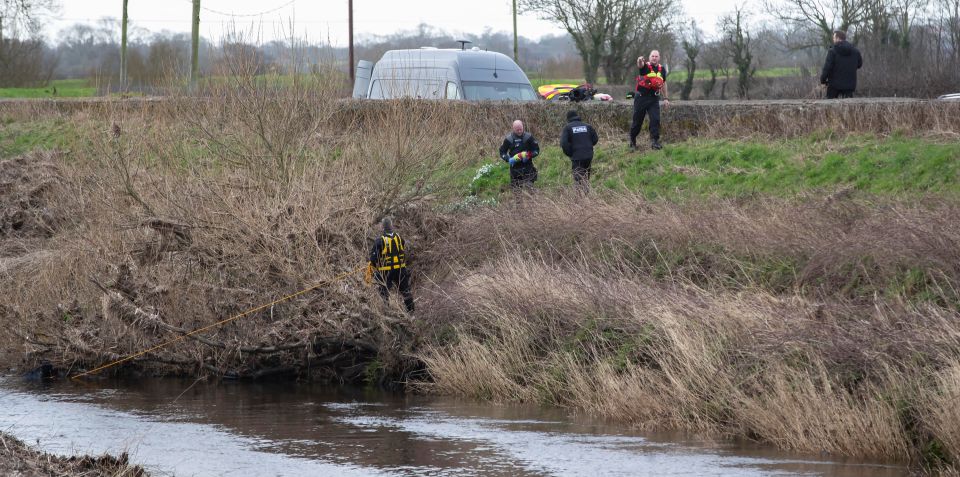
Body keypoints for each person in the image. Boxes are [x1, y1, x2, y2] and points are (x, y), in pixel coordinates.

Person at [367, 217, 414, 313]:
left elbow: (373, 259)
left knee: (383, 293)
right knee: (405, 291)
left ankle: (387, 312)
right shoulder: (399, 238)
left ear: (382, 227)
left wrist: (373, 269)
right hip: (401, 269)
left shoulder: (379, 241)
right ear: (391, 226)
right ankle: (411, 312)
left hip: (387, 271)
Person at [629, 50, 670, 151]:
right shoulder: (645, 66)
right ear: (649, 57)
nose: (654, 58)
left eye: (656, 56)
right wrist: (639, 60)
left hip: (654, 98)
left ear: (659, 58)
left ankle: (655, 142)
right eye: (652, 56)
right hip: (641, 98)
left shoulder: (662, 69)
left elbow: (664, 84)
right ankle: (632, 140)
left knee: (655, 120)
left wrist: (665, 98)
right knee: (637, 122)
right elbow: (640, 65)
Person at [560, 109, 599, 193]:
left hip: (577, 157)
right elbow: (595, 139)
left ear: (568, 118)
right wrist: (587, 147)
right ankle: (586, 195)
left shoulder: (567, 128)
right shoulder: (588, 126)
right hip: (589, 156)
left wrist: (570, 153)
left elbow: (564, 143)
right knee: (586, 177)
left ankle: (580, 200)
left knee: (578, 179)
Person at [499, 120, 541, 193]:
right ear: (513, 128)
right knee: (517, 192)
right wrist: (509, 159)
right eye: (517, 130)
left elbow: (536, 150)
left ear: (523, 127)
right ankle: (519, 202)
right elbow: (502, 152)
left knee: (531, 191)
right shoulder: (509, 139)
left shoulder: (529, 137)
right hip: (515, 169)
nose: (519, 131)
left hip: (528, 167)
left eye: (520, 129)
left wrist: (529, 155)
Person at [820, 30, 863, 99]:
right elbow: (859, 64)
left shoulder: (832, 51)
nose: (833, 39)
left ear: (838, 38)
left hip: (834, 85)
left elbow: (827, 68)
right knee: (848, 107)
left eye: (834, 38)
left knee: (830, 107)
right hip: (849, 85)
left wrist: (823, 80)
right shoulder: (855, 51)